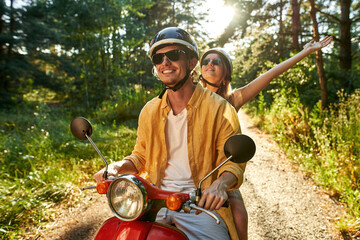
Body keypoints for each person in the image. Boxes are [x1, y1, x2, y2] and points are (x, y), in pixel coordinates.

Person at [94, 27, 245, 240]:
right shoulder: (149, 110)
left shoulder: (220, 108)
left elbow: (232, 162)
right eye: (158, 58)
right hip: (152, 201)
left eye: (173, 55)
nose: (164, 63)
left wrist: (220, 185)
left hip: (199, 205)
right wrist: (117, 167)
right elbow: (140, 157)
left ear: (192, 63)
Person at [199, 35, 333, 239]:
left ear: (225, 74)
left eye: (216, 61)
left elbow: (270, 74)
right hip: (189, 168)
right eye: (205, 61)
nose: (210, 64)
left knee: (239, 217)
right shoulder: (189, 96)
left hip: (220, 172)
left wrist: (305, 51)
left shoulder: (232, 100)